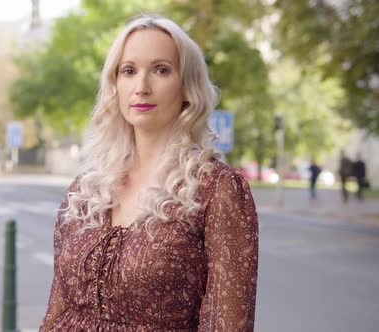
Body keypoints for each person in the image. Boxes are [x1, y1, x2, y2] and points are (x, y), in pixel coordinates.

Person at [40, 14, 258, 332]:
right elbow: (56, 311)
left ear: (186, 87)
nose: (141, 87)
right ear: (115, 84)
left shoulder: (216, 189)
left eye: (161, 70)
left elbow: (229, 324)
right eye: (129, 71)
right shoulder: (87, 190)